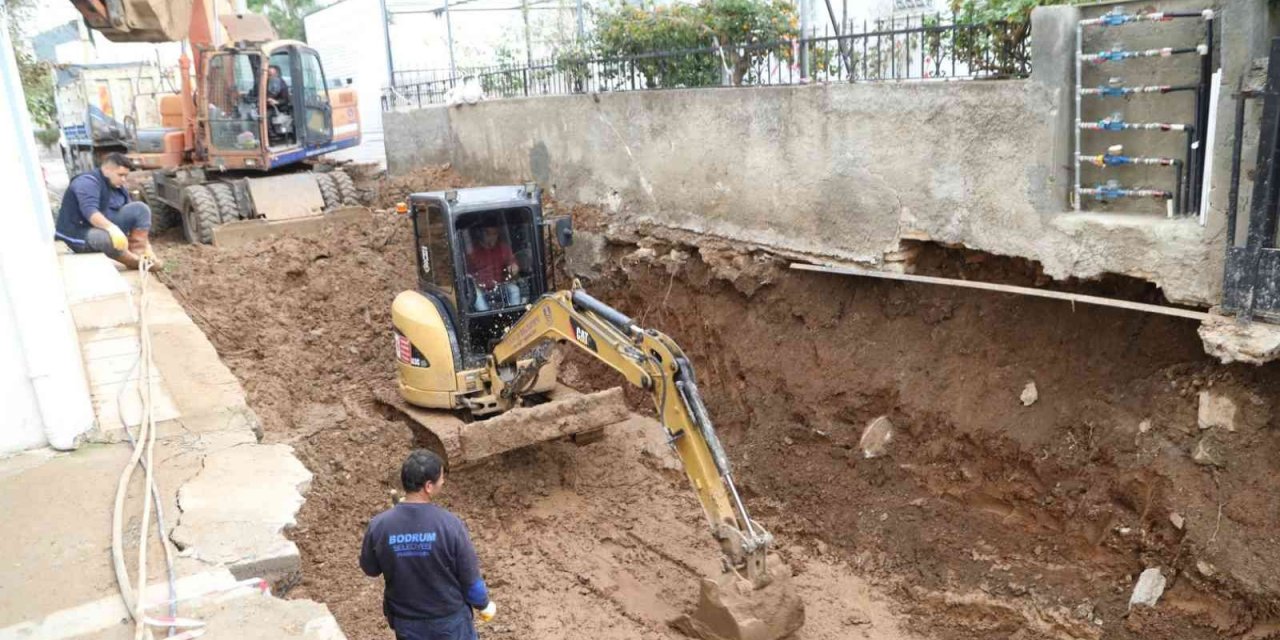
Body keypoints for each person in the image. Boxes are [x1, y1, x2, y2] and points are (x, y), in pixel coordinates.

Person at [360, 450, 497, 640]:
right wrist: (484, 605)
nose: (443, 482)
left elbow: (370, 569)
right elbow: (471, 580)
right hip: (449, 622)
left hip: (407, 622)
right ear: (428, 486)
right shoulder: (450, 525)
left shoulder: (380, 525)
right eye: (441, 478)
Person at [55, 152, 160, 271]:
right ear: (107, 169)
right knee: (108, 239)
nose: (124, 180)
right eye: (120, 175)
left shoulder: (116, 186)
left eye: (126, 175)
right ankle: (133, 261)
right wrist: (112, 229)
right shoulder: (87, 182)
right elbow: (90, 212)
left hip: (101, 226)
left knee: (140, 209)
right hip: (80, 234)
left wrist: (147, 246)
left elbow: (128, 211)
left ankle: (140, 253)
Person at [466, 224, 521, 311]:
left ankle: (516, 317)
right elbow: (468, 275)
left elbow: (512, 262)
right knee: (477, 297)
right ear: (480, 234)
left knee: (514, 290)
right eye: (488, 234)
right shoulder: (473, 253)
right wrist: (475, 284)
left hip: (500, 286)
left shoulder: (503, 248)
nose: (492, 237)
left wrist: (514, 267)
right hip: (481, 289)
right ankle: (486, 318)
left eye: (494, 234)